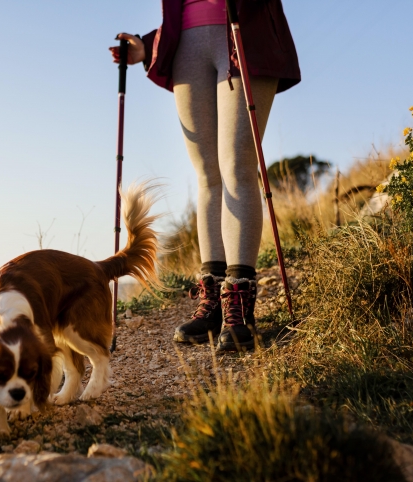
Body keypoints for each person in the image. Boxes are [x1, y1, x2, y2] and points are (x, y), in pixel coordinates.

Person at [110, 0, 300, 352]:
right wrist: (147, 44)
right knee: (207, 175)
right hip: (188, 45)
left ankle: (239, 306)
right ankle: (212, 301)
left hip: (244, 31)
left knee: (236, 166)